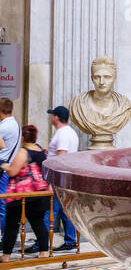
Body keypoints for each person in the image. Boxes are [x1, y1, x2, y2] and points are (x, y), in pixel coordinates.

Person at [1, 126, 50, 262]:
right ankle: (44, 252)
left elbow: (12, 171)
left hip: (22, 194)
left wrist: (4, 166)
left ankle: (6, 255)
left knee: (12, 224)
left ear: (22, 138)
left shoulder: (23, 152)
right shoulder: (42, 151)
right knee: (38, 223)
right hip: (39, 193)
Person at [44, 107, 79, 251]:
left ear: (56, 117)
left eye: (52, 115)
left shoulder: (63, 134)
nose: (51, 118)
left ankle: (43, 241)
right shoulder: (69, 132)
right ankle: (70, 240)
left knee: (48, 211)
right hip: (64, 178)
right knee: (65, 210)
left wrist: (52, 181)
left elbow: (61, 157)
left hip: (57, 180)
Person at [0, 97, 21, 234]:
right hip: (9, 167)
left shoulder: (3, 127)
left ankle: (3, 236)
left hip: (2, 168)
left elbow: (1, 146)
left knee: (1, 204)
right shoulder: (15, 124)